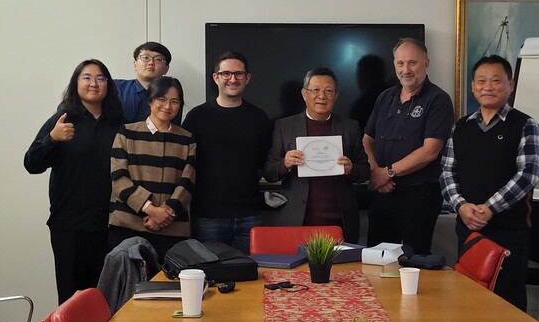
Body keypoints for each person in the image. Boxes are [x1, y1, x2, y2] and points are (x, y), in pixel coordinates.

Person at [440, 54, 539, 311]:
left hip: (508, 231)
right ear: (473, 86)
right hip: (468, 229)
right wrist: (461, 206)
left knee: (507, 305)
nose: (488, 87)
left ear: (511, 84)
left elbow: (527, 175)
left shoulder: (526, 125)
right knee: (468, 302)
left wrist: (489, 208)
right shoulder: (461, 126)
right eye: (481, 81)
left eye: (496, 81)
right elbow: (446, 172)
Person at [24, 59, 123, 304]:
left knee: (104, 297)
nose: (93, 83)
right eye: (86, 77)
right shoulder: (62, 119)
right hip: (69, 223)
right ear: (76, 83)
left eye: (100, 78)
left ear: (108, 85)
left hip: (109, 224)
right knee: (71, 298)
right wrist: (52, 138)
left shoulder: (118, 123)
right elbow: (31, 164)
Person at [363, 38, 453, 254]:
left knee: (413, 263)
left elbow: (430, 151)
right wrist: (375, 171)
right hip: (383, 192)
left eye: (412, 63)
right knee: (376, 259)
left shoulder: (438, 100)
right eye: (400, 63)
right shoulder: (385, 97)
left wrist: (388, 172)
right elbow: (367, 139)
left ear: (426, 63)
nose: (406, 70)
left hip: (419, 197)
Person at [263, 67, 370, 243]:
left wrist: (351, 169)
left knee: (341, 270)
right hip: (297, 219)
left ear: (336, 96)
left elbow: (365, 171)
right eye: (315, 90)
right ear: (304, 94)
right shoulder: (284, 126)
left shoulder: (350, 127)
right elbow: (268, 171)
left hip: (340, 220)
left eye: (329, 91)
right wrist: (285, 163)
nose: (322, 96)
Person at [182, 51, 271, 254]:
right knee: (211, 275)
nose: (233, 79)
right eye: (226, 74)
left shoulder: (259, 118)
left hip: (250, 214)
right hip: (208, 216)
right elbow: (186, 164)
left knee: (251, 274)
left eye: (239, 74)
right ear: (216, 77)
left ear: (247, 78)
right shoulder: (196, 117)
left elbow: (264, 162)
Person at [109, 76, 196, 261]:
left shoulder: (187, 138)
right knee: (128, 286)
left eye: (175, 101)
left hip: (172, 228)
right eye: (162, 99)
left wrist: (166, 213)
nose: (168, 106)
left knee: (169, 287)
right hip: (128, 225)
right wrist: (150, 210)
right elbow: (119, 178)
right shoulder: (127, 132)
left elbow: (188, 181)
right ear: (150, 100)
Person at [114, 41, 181, 124]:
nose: (151, 63)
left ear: (166, 69)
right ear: (135, 64)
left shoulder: (172, 94)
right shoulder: (115, 88)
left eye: (158, 59)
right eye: (145, 58)